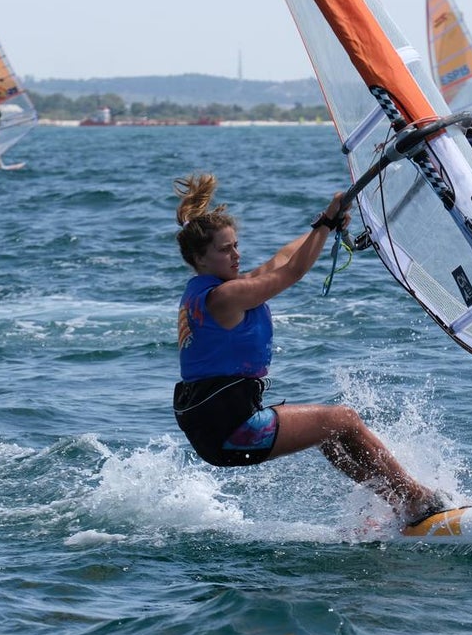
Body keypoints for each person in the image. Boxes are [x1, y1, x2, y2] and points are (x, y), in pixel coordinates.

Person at [172, 173, 450, 526]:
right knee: (343, 419)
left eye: (236, 245)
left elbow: (282, 258)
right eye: (225, 250)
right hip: (231, 428)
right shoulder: (226, 296)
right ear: (200, 258)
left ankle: (398, 501)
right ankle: (418, 500)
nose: (236, 255)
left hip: (215, 423)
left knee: (330, 436)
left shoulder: (208, 289)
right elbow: (293, 271)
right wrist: (326, 225)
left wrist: (327, 222)